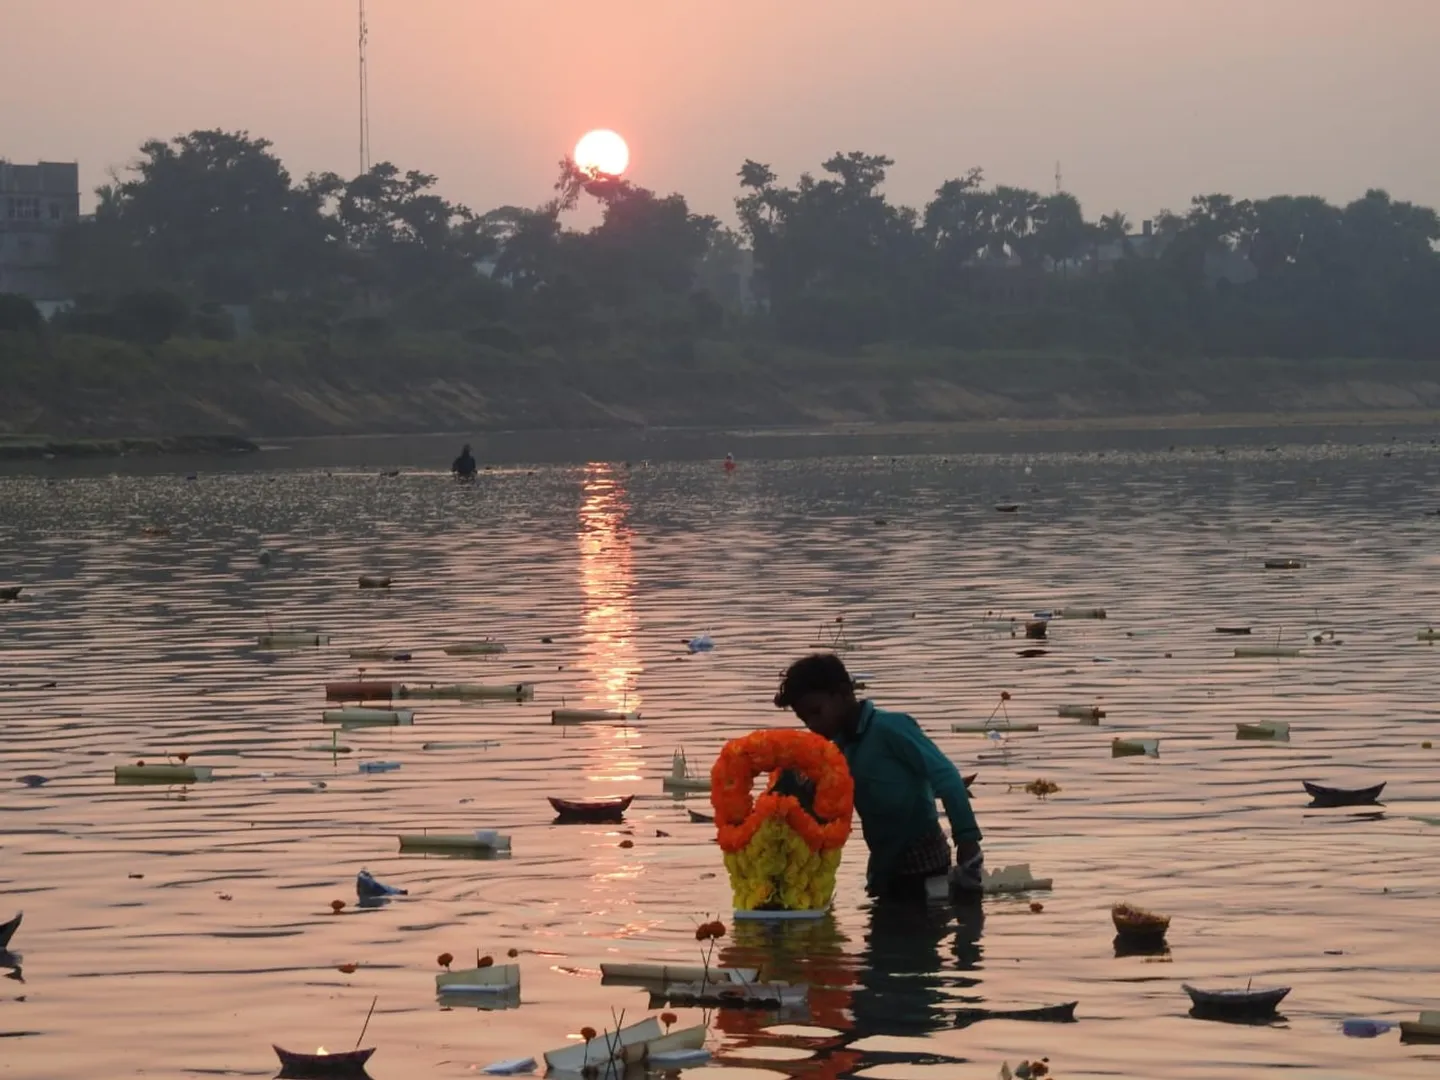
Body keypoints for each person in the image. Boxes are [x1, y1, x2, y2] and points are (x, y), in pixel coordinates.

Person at [773, 653, 983, 902]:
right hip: (884, 868)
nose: (813, 725)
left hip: (924, 860)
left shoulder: (890, 728)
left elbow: (947, 779)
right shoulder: (837, 751)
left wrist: (968, 844)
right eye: (805, 719)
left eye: (816, 712)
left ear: (843, 694)